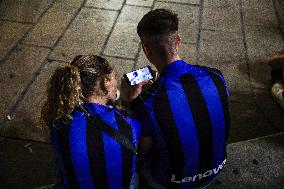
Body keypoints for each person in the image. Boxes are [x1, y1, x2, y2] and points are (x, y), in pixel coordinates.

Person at [130, 9, 231, 189]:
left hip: (172, 182)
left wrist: (134, 104)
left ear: (146, 50)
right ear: (178, 40)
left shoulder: (147, 102)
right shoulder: (216, 77)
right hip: (217, 168)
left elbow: (144, 149)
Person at [41, 55, 142, 189]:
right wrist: (133, 101)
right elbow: (144, 146)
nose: (116, 82)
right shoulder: (129, 123)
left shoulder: (60, 121)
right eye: (114, 77)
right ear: (105, 82)